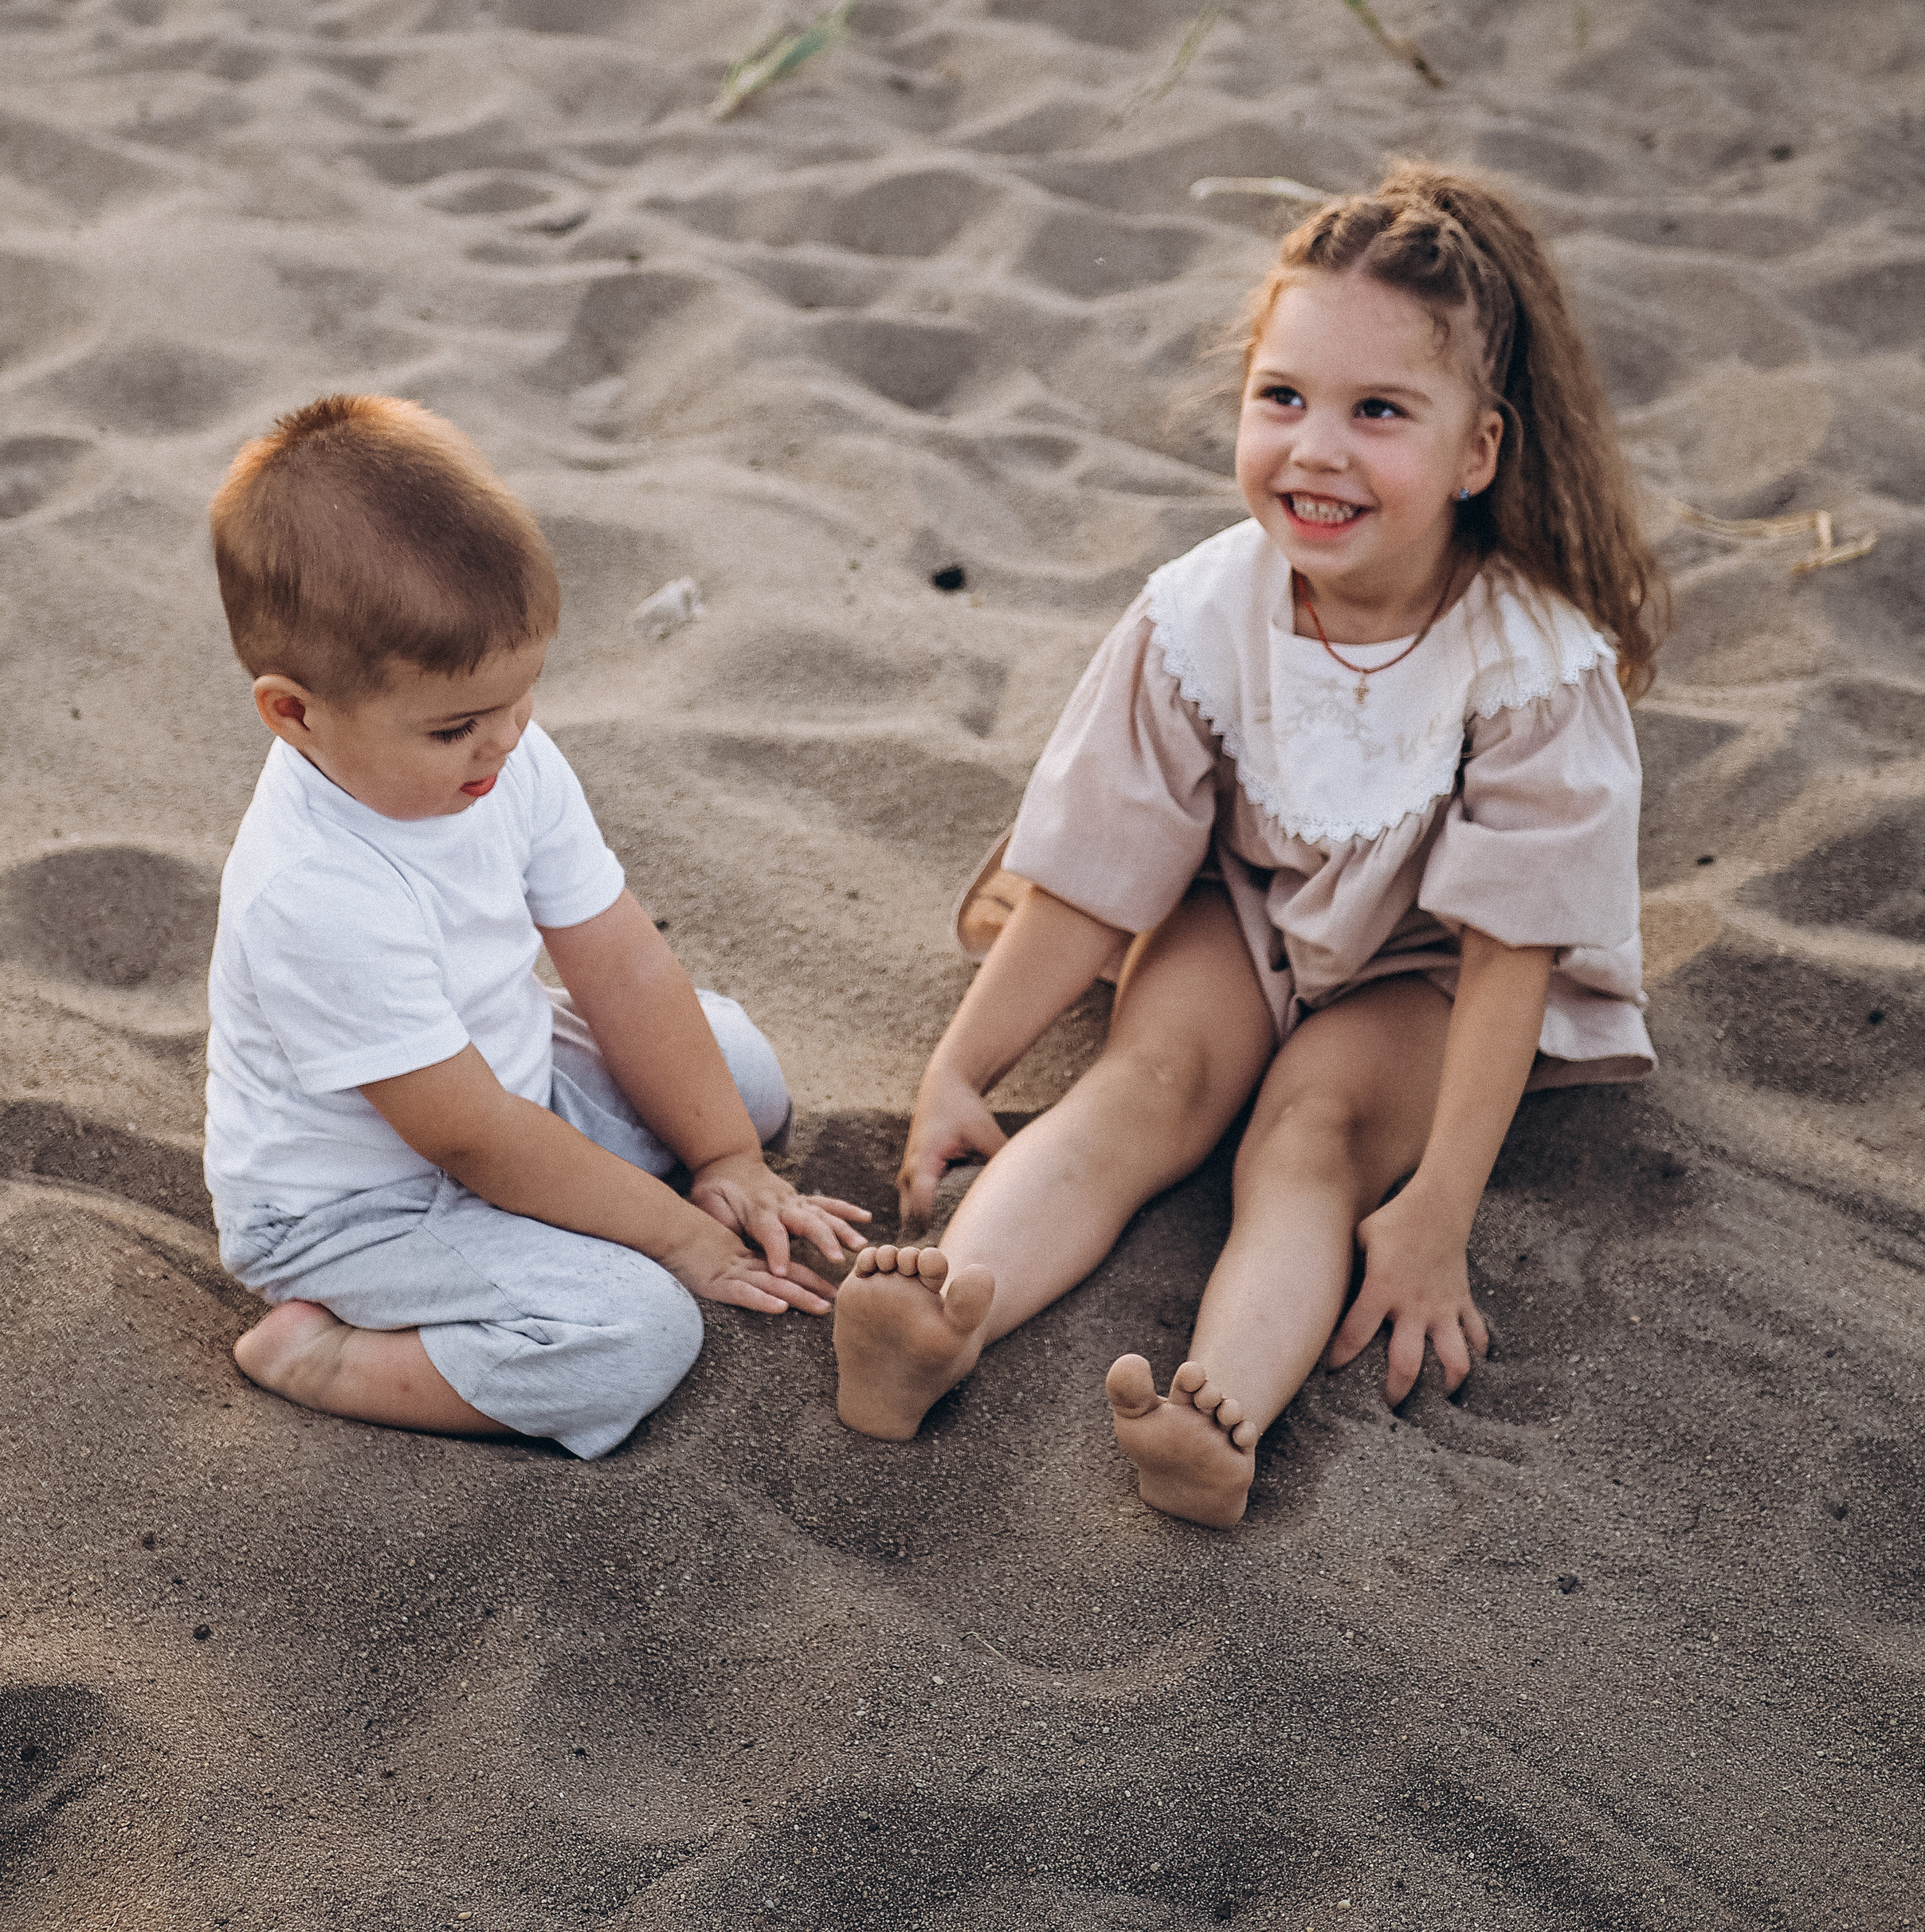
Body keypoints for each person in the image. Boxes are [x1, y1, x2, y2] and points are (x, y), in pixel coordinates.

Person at [832, 163, 1665, 1526]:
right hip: (1244, 903)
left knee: (1308, 1137)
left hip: (1428, 967)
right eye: (1283, 397)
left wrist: (1440, 1209)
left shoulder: (1526, 667)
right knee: (1139, 1081)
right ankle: (943, 1317)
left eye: (1378, 411)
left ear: (1479, 451)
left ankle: (1217, 1412)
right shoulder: (1203, 611)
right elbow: (1096, 873)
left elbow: (1514, 947)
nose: (1316, 448)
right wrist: (963, 1061)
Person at [205, 394, 868, 1457]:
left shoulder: (499, 753)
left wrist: (730, 1156)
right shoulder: (312, 887)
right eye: (456, 725)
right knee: (637, 1328)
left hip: (514, 1081)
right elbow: (470, 1135)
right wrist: (685, 1236)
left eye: (523, 697)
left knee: (738, 1069)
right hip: (366, 1201)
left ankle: (651, 1171)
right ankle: (327, 1358)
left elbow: (618, 960)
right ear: (294, 711)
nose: (505, 740)